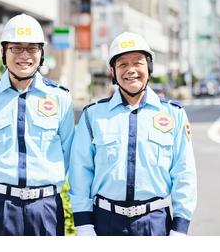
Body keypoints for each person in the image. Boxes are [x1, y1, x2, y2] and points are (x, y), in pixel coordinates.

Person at [68, 32, 197, 236]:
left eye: (138, 62)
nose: (131, 70)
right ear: (113, 71)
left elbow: (184, 173)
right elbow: (80, 171)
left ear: (149, 67)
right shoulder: (93, 116)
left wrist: (180, 229)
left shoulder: (174, 114)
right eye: (122, 64)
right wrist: (84, 225)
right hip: (105, 222)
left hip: (154, 223)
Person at [0, 13, 75, 236]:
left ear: (41, 54)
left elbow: (68, 149)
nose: (24, 56)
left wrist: (47, 187)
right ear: (3, 52)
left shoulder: (60, 97)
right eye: (16, 48)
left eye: (32, 48)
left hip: (45, 208)